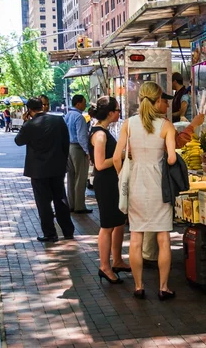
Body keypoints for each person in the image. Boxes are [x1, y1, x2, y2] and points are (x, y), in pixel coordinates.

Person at [114, 82, 177, 301]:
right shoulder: (166, 125)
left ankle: (139, 287)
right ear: (158, 100)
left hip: (136, 186)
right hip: (159, 187)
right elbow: (171, 158)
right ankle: (163, 287)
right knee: (163, 239)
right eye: (163, 99)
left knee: (136, 239)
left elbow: (116, 157)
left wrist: (123, 175)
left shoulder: (129, 124)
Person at [142, 93, 205, 263]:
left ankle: (148, 253)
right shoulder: (163, 125)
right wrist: (193, 125)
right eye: (165, 102)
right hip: (158, 176)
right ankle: (152, 257)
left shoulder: (136, 123)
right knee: (159, 217)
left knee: (150, 215)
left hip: (144, 176)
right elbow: (176, 146)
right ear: (156, 102)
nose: (168, 106)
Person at [14, 97, 75, 242]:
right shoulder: (58, 120)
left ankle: (50, 233)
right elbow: (65, 142)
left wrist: (25, 122)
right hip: (57, 167)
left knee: (43, 203)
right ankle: (68, 231)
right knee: (60, 199)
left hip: (38, 170)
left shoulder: (30, 125)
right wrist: (63, 160)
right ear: (42, 106)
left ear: (29, 109)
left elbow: (18, 141)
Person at [88, 96, 131, 284]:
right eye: (118, 110)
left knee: (118, 222)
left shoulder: (103, 131)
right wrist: (121, 155)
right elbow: (99, 164)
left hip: (112, 181)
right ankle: (105, 266)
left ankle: (118, 260)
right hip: (105, 183)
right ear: (111, 113)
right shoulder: (100, 135)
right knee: (107, 226)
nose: (119, 114)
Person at [64, 95, 92, 214]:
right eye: (84, 102)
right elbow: (82, 137)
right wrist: (87, 151)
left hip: (69, 148)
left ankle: (71, 204)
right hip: (78, 148)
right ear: (78, 104)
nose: (85, 105)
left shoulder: (67, 115)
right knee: (81, 178)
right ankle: (79, 206)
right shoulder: (79, 117)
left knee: (71, 177)